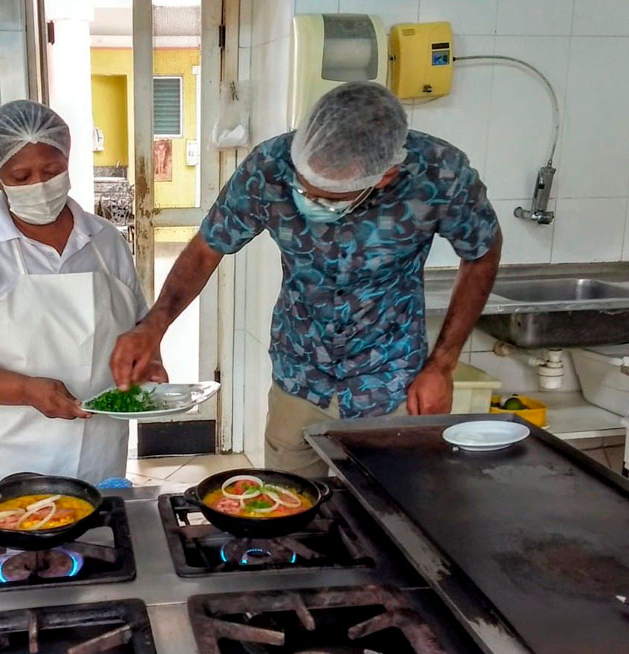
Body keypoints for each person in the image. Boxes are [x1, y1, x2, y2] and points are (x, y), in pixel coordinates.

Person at [111, 82, 502, 478]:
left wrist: (443, 364)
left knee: (388, 511)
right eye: (302, 186)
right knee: (290, 507)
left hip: (391, 381)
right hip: (299, 375)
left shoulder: (440, 173)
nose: (308, 200)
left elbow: (482, 253)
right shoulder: (269, 166)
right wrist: (153, 326)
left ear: (384, 177)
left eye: (329, 198)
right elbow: (205, 249)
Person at [0, 100, 165, 499]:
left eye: (51, 171)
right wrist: (27, 390)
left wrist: (148, 362)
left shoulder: (104, 241)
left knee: (92, 548)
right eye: (21, 175)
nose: (40, 185)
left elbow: (135, 326)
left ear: (67, 162)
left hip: (94, 452)